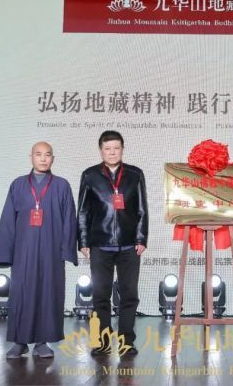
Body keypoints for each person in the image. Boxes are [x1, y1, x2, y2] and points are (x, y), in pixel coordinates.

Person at [0, 142, 78, 359]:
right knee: (21, 292)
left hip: (52, 250)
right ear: (30, 157)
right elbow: (8, 220)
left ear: (53, 159)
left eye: (47, 155)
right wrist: (6, 253)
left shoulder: (61, 185)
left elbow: (70, 219)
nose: (43, 158)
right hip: (24, 250)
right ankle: (19, 342)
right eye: (38, 154)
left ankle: (42, 342)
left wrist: (67, 250)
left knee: (49, 293)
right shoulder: (18, 185)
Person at [77, 130, 148, 357]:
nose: (112, 152)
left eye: (116, 148)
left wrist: (141, 238)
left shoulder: (135, 174)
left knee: (129, 295)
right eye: (107, 149)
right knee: (100, 296)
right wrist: (83, 241)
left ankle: (127, 342)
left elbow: (142, 209)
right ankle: (102, 343)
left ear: (122, 149)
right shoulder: (90, 175)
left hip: (129, 246)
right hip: (100, 244)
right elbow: (83, 211)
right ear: (101, 151)